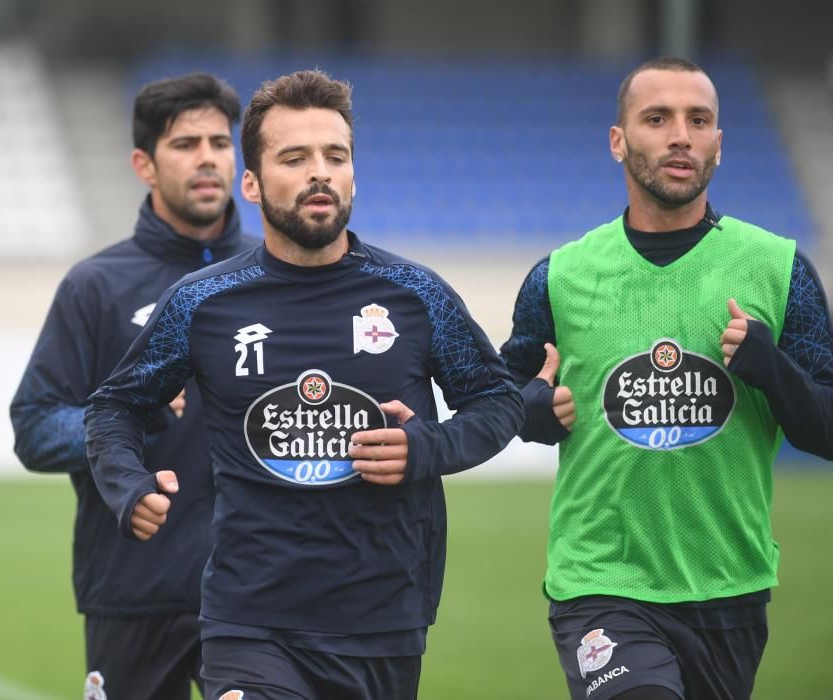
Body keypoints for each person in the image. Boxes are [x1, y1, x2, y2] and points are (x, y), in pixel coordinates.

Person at [84, 68, 523, 700]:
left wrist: (426, 448)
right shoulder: (202, 302)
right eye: (295, 158)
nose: (320, 172)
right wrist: (128, 484)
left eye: (335, 156)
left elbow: (497, 400)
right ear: (254, 185)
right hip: (249, 620)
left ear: (352, 175)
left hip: (383, 622)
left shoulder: (415, 294)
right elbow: (116, 406)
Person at [501, 56, 833, 700]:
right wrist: (528, 413)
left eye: (698, 120)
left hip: (729, 584)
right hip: (600, 580)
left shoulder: (778, 268)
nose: (680, 136)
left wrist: (769, 366)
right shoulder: (559, 277)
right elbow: (503, 400)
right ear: (619, 141)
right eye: (657, 118)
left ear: (718, 142)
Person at [11, 72, 255, 700]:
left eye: (220, 142)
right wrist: (129, 416)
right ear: (144, 164)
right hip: (132, 590)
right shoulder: (94, 286)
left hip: (258, 591)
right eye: (185, 144)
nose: (207, 158)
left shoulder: (277, 276)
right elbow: (35, 427)